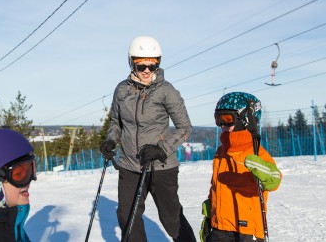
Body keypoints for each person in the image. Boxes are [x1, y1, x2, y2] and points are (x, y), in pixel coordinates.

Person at [100, 36, 196, 241]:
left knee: (171, 218)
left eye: (152, 66)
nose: (146, 71)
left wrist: (161, 149)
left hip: (161, 166)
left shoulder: (166, 91)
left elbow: (184, 127)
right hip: (130, 165)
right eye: (141, 65)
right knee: (128, 216)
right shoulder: (122, 90)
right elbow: (116, 123)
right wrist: (111, 140)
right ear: (131, 62)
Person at [200, 92, 282, 242]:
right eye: (218, 119)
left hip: (246, 230)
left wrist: (265, 172)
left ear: (245, 120)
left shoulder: (257, 154)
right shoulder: (221, 152)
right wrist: (210, 212)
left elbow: (274, 180)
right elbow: (215, 186)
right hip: (220, 227)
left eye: (227, 119)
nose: (222, 125)